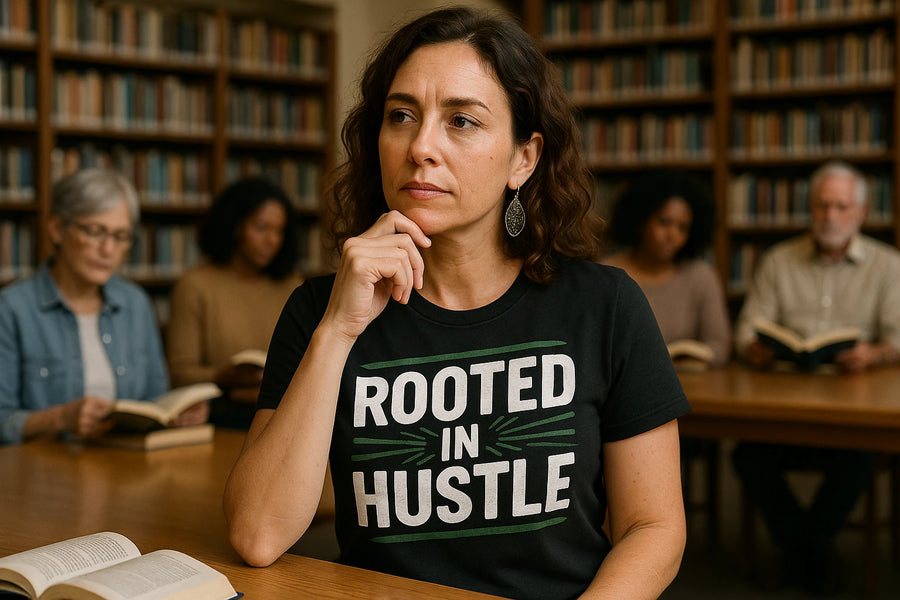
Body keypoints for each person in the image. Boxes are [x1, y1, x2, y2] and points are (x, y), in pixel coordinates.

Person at [224, 8, 689, 600]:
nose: (421, 147)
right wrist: (338, 330)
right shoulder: (320, 309)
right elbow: (257, 535)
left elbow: (653, 527)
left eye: (462, 121)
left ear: (524, 157)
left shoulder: (606, 305)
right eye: (401, 116)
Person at [732, 160, 900, 594]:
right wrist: (755, 347)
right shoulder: (778, 260)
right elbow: (746, 329)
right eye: (822, 206)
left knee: (861, 456)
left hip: (852, 409)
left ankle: (802, 551)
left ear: (861, 212)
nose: (830, 216)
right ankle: (813, 550)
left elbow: (898, 339)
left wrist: (874, 353)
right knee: (747, 454)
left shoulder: (887, 265)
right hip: (783, 404)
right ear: (810, 209)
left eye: (841, 207)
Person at [0, 168, 206, 444]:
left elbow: (155, 400)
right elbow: (2, 421)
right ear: (57, 229)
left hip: (124, 470)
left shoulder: (136, 304)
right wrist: (61, 418)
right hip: (40, 475)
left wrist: (177, 412)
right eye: (96, 232)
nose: (108, 250)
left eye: (121, 236)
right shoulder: (12, 308)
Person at [166, 177, 303, 392]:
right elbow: (180, 374)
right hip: (223, 411)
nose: (272, 240)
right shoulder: (195, 285)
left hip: (286, 407)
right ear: (236, 226)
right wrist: (221, 376)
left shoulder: (292, 283)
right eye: (262, 228)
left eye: (279, 231)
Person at [604, 170, 731, 365]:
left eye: (682, 228)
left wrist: (695, 358)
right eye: (664, 222)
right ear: (641, 220)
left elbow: (720, 346)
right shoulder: (607, 273)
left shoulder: (701, 276)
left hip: (687, 386)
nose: (672, 235)